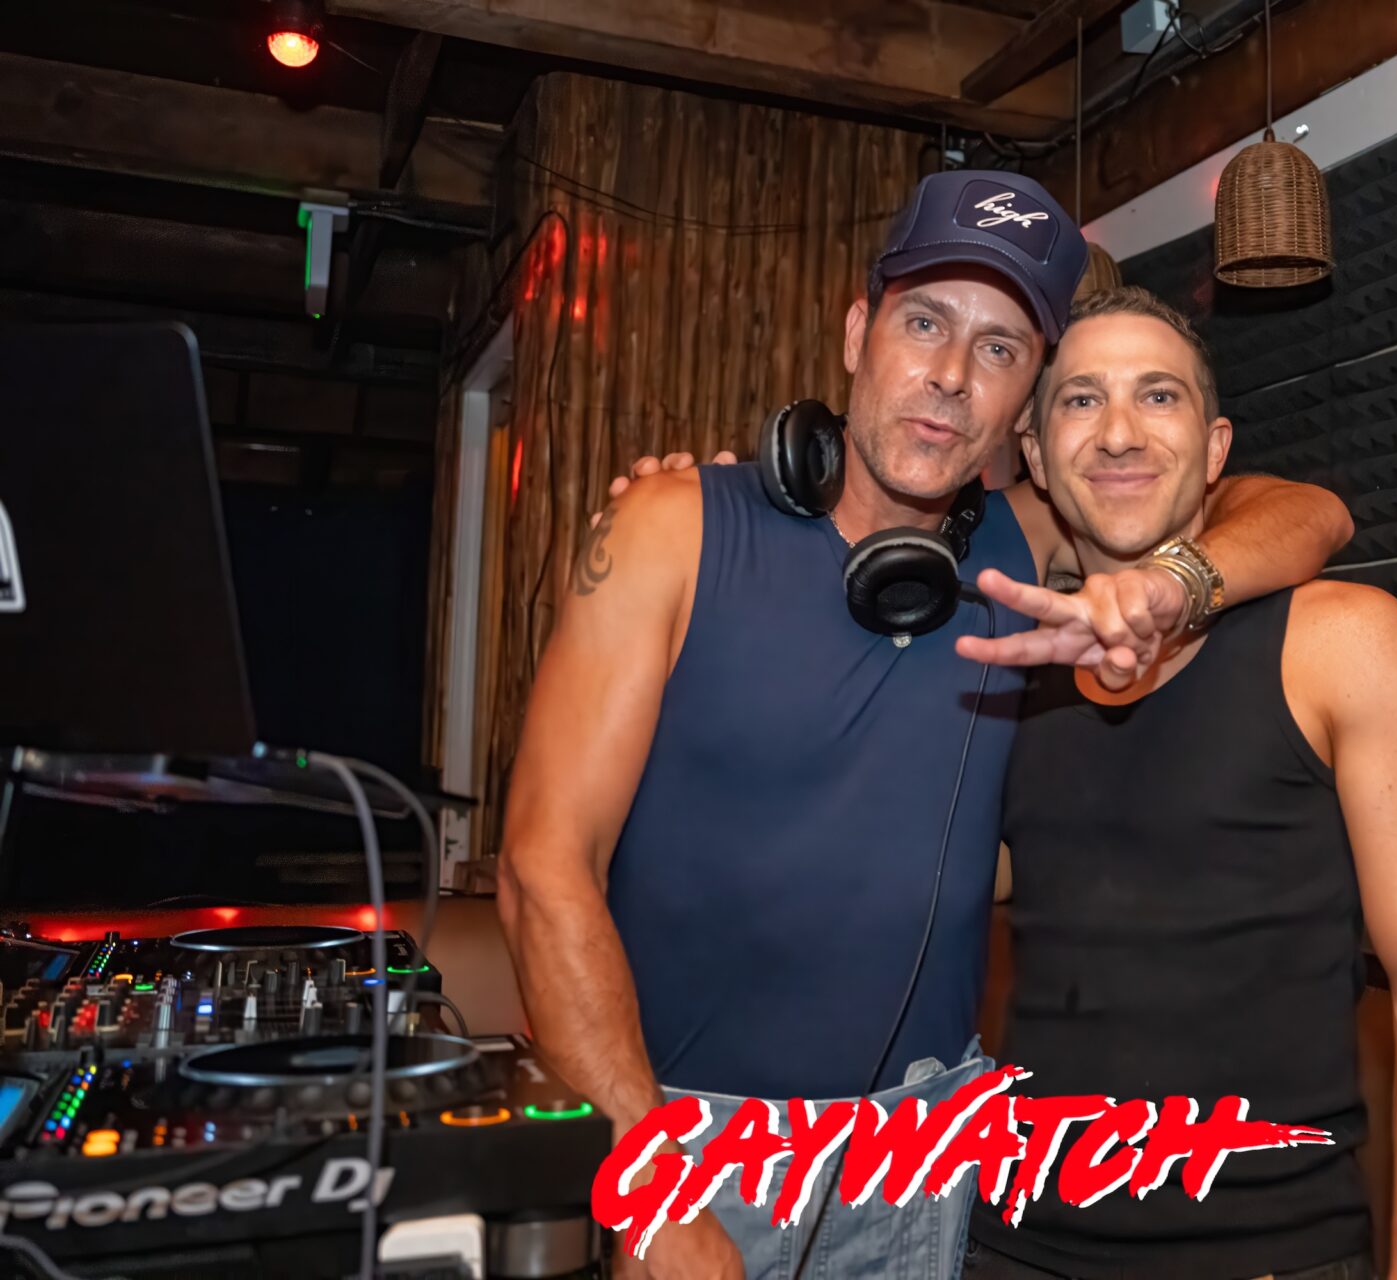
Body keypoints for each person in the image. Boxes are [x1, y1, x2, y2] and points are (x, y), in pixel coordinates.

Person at [497, 172, 1354, 1280]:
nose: (951, 374)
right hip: (685, 1140)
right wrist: (654, 1184)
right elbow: (542, 868)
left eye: (999, 349)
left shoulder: (1022, 546)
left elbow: (1309, 513)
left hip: (930, 1156)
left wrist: (1176, 582)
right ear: (860, 332)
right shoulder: (673, 527)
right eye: (925, 323)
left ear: (1023, 410)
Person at [951, 287, 1397, 1280]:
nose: (1119, 431)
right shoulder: (1011, 676)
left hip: (1264, 1250)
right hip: (1010, 1247)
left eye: (1158, 396)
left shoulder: (1343, 642)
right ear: (1035, 454)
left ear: (1214, 448)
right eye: (1080, 400)